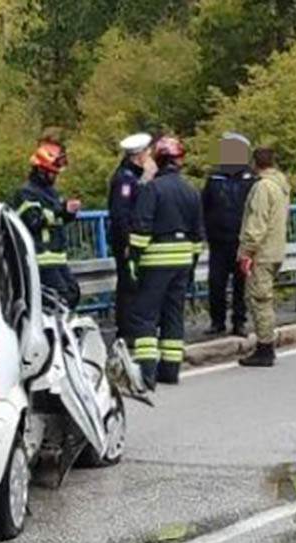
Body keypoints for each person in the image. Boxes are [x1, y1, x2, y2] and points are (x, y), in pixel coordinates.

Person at [125, 136, 203, 388]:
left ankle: (146, 373)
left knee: (145, 316)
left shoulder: (152, 188)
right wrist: (191, 263)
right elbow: (198, 233)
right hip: (182, 260)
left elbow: (141, 227)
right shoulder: (190, 189)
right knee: (173, 315)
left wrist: (133, 260)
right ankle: (170, 370)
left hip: (155, 260)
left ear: (159, 159)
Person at [11, 137, 82, 309]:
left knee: (73, 293)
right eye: (52, 173)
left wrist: (69, 212)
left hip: (57, 257)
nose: (54, 176)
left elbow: (60, 218)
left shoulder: (51, 192)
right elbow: (33, 220)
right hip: (40, 258)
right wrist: (61, 210)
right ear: (40, 170)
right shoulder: (26, 192)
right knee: (60, 298)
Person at [238, 148, 291, 368]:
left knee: (259, 299)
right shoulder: (281, 186)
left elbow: (257, 222)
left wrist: (247, 251)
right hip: (276, 248)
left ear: (254, 163)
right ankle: (266, 344)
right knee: (265, 297)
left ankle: (265, 347)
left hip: (263, 251)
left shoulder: (262, 187)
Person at [201, 132, 257, 337]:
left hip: (241, 240)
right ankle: (217, 321)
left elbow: (255, 210)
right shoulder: (214, 178)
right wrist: (204, 233)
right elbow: (204, 206)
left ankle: (239, 322)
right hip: (218, 240)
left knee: (241, 284)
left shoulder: (250, 179)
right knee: (216, 283)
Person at [107, 133, 154, 337]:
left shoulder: (132, 176)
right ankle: (127, 330)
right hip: (126, 240)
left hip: (134, 239)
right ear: (139, 155)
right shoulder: (125, 179)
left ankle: (133, 327)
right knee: (128, 285)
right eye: (147, 152)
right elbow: (122, 213)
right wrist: (126, 241)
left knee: (136, 283)